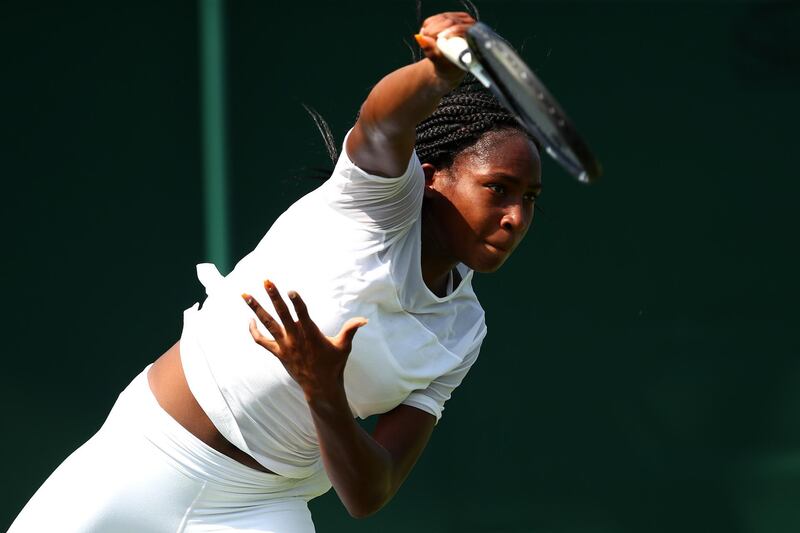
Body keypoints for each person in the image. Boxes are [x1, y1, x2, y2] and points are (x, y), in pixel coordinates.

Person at [8, 11, 541, 533]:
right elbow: (382, 120)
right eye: (498, 188)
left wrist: (324, 389)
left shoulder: (463, 330)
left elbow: (369, 493)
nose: (516, 217)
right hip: (144, 456)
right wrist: (437, 75)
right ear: (429, 179)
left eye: (530, 199)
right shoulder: (374, 203)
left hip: (261, 509)